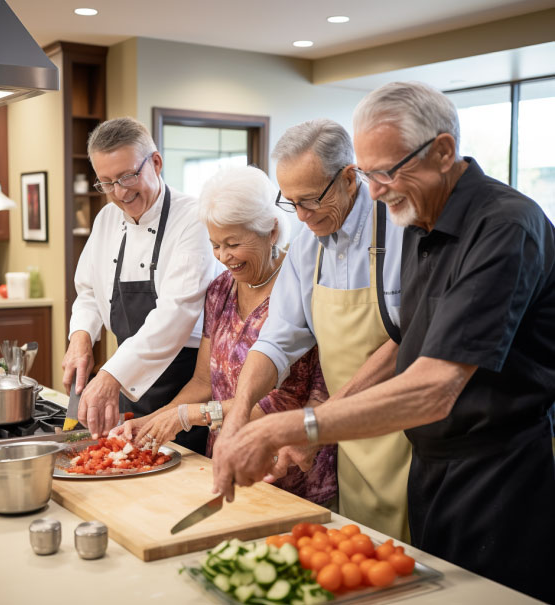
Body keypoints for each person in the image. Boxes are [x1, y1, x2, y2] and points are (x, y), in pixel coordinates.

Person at [212, 82, 555, 604]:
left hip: (499, 473)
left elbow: (435, 386)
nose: (374, 192)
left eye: (386, 172)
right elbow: (395, 339)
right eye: (370, 174)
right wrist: (274, 423)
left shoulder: (506, 226)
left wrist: (299, 425)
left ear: (443, 151)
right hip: (431, 463)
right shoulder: (422, 221)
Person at [210, 119, 410, 540]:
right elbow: (277, 339)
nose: (301, 215)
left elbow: (402, 345)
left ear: (350, 178)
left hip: (406, 436)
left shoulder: (401, 232)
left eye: (311, 200)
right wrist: (239, 411)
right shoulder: (307, 244)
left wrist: (317, 426)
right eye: (291, 202)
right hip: (349, 440)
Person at [112, 165, 336, 506]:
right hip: (228, 460)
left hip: (289, 469)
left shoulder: (300, 289)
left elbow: (281, 402)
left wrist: (188, 417)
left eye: (233, 243)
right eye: (215, 244)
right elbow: (203, 381)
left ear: (272, 231)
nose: (222, 257)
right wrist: (155, 421)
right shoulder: (219, 291)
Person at [62, 117, 215, 455]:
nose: (119, 192)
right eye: (106, 182)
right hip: (129, 378)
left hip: (184, 387)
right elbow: (88, 290)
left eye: (128, 176)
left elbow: (176, 314)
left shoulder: (193, 219)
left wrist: (110, 375)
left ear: (156, 163)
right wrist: (81, 337)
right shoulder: (106, 219)